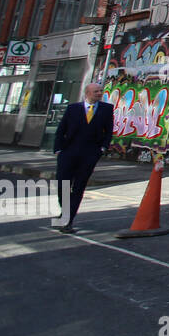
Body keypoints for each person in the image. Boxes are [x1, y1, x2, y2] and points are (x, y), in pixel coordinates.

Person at [52, 83, 114, 233]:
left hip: (89, 154)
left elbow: (109, 131)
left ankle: (68, 220)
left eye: (100, 91)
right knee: (62, 185)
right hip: (68, 152)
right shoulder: (73, 108)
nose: (99, 93)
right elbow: (62, 129)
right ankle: (64, 213)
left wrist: (102, 148)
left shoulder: (106, 109)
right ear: (87, 93)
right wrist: (58, 149)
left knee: (79, 187)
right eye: (96, 91)